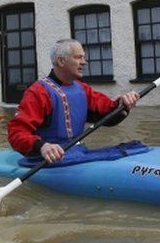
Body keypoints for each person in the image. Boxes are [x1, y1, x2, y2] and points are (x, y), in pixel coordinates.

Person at [8, 38, 140, 163]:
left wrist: (123, 103)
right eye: (78, 57)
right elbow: (16, 132)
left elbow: (108, 112)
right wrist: (42, 146)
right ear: (61, 61)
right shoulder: (38, 92)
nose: (84, 62)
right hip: (46, 159)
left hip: (78, 153)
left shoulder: (82, 89)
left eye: (83, 57)